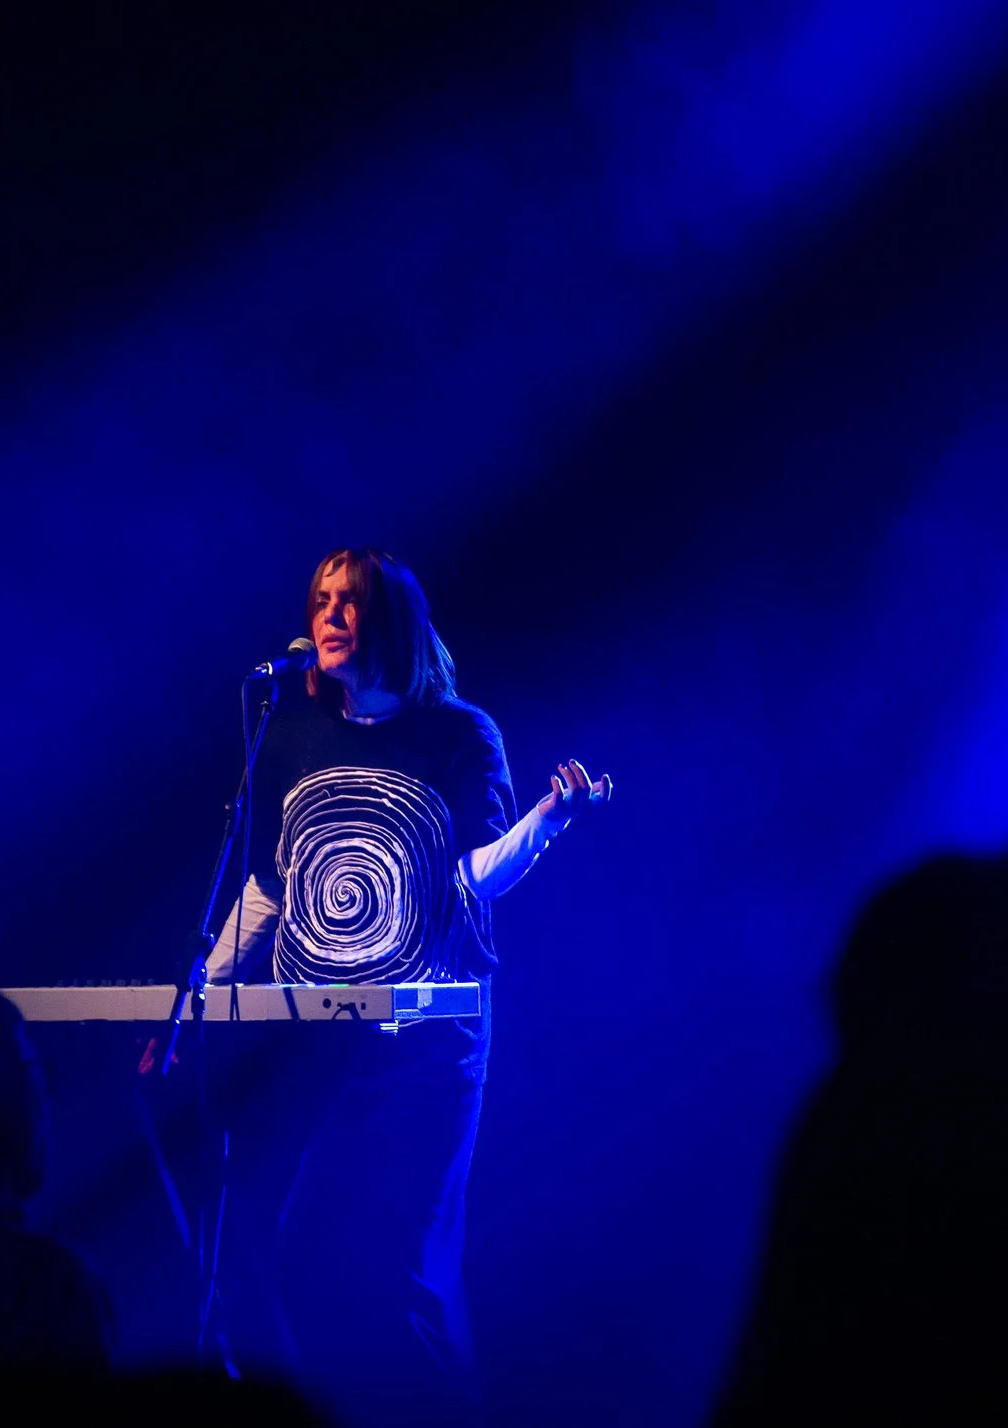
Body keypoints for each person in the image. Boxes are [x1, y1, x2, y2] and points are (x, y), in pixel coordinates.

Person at [202, 547, 610, 1425]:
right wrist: (194, 990)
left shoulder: (462, 734)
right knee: (295, 1248)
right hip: (326, 1033)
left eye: (350, 600)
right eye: (319, 598)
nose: (330, 613)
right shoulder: (295, 728)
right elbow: (268, 887)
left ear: (392, 620)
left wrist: (548, 821)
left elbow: (475, 875)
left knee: (408, 1269)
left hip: (431, 1043)